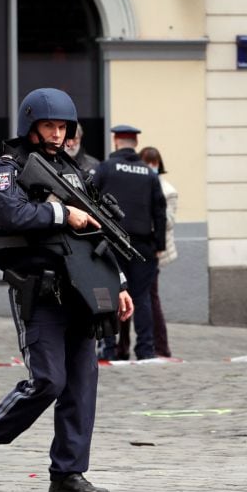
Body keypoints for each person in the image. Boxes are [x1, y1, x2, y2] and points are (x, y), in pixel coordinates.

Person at [0, 87, 133, 492]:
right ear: (31, 126)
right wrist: (63, 213)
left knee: (81, 386)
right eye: (49, 126)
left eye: (63, 127)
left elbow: (98, 235)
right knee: (48, 381)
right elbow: (10, 212)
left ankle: (68, 475)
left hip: (82, 293)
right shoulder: (9, 168)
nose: (58, 134)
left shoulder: (74, 172)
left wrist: (120, 284)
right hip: (39, 292)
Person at [93, 125, 166, 361]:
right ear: (135, 143)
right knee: (142, 298)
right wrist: (159, 244)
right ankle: (145, 350)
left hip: (111, 243)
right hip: (142, 246)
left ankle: (109, 348)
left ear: (116, 141)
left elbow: (89, 201)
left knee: (109, 294)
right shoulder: (148, 173)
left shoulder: (105, 168)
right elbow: (160, 211)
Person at [139, 146, 177, 358]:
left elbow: (169, 221)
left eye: (153, 164)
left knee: (151, 297)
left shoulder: (168, 190)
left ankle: (161, 347)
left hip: (155, 249)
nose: (150, 168)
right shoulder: (138, 185)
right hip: (141, 245)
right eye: (146, 163)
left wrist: (155, 207)